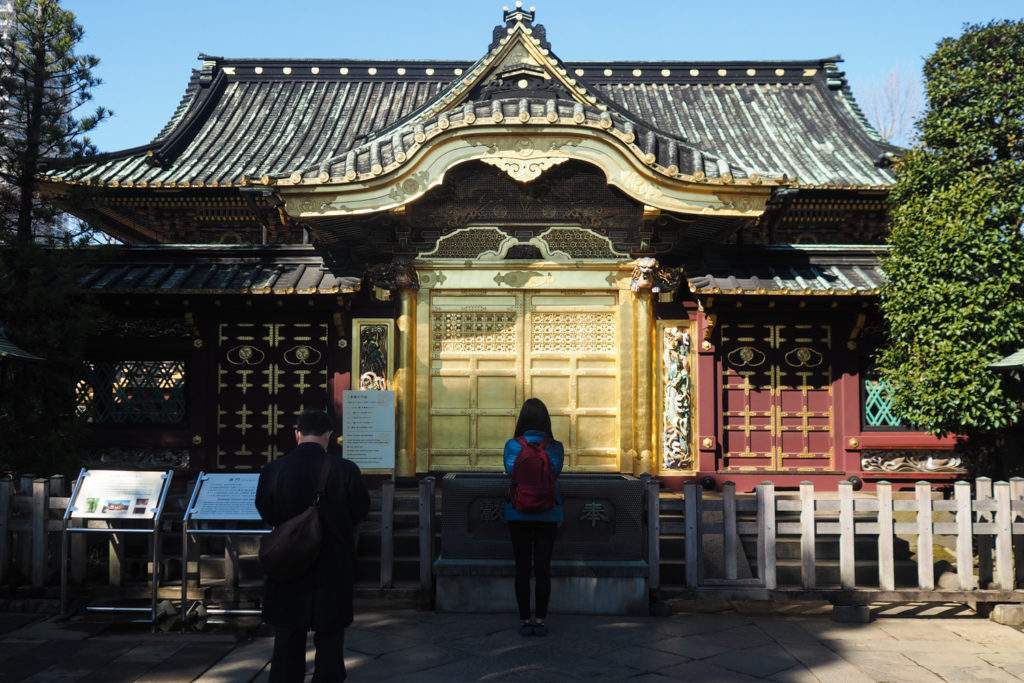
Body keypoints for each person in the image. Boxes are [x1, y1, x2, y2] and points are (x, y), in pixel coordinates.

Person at [256, 409, 370, 682]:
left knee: (286, 636)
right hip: (332, 562)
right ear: (329, 436)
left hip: (288, 560)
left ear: (297, 434)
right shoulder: (346, 470)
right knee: (330, 635)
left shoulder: (274, 469)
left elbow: (266, 511)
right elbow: (359, 510)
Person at [503, 397, 564, 637]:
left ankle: (524, 619)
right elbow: (556, 473)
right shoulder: (555, 446)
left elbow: (510, 471)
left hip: (517, 511)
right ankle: (540, 620)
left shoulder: (513, 445)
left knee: (521, 568)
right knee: (542, 568)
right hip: (548, 512)